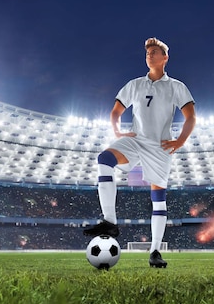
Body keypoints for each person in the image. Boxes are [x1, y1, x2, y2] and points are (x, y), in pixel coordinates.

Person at [84, 37, 196, 268]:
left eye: (155, 52)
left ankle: (155, 251)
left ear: (165, 58)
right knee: (105, 158)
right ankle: (110, 221)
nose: (150, 55)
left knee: (158, 199)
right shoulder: (134, 84)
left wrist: (181, 141)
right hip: (136, 140)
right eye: (147, 53)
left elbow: (191, 116)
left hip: (160, 146)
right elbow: (116, 111)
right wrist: (117, 131)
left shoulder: (176, 86)